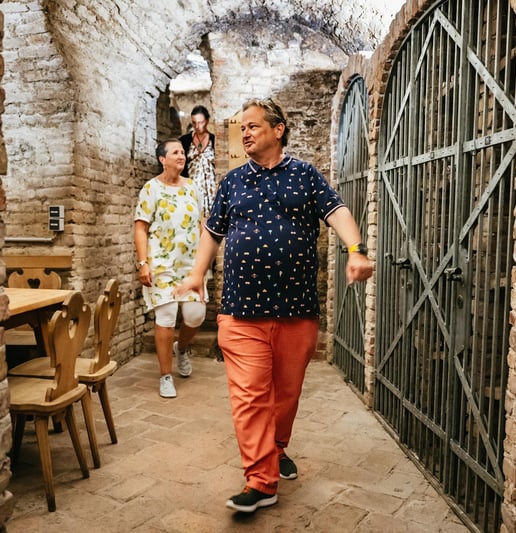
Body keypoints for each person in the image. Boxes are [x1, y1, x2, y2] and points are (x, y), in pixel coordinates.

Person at [175, 98, 374, 513]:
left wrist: (356, 250)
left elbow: (337, 211)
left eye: (252, 125)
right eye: (242, 127)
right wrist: (196, 275)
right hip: (241, 311)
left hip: (296, 311)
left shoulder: (305, 175)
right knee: (250, 397)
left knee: (285, 396)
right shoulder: (233, 181)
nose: (244, 133)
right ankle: (261, 481)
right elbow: (212, 232)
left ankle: (276, 448)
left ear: (278, 129)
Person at [134, 139, 208, 398]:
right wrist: (143, 263)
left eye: (183, 152)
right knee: (165, 317)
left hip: (190, 265)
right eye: (175, 152)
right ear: (162, 159)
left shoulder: (193, 187)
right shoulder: (151, 189)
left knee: (195, 315)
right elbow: (140, 227)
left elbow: (201, 223)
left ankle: (182, 348)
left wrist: (204, 260)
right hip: (161, 264)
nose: (181, 156)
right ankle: (166, 376)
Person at [179, 105, 217, 214]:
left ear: (207, 121)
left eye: (201, 122)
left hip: (211, 188)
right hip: (190, 185)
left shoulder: (214, 140)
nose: (197, 126)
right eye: (194, 123)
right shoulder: (184, 141)